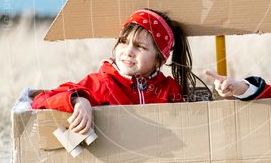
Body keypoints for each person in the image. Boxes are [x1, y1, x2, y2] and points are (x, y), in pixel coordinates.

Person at [32, 9, 197, 133]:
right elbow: (39, 100)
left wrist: (223, 93)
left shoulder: (169, 89)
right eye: (123, 42)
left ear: (158, 59)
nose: (128, 51)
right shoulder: (101, 84)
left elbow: (196, 120)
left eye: (140, 46)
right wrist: (78, 100)